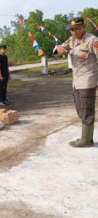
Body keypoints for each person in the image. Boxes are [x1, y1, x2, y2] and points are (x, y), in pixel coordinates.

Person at [54, 17, 98, 147]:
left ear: (84, 27)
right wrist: (58, 50)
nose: (74, 31)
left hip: (88, 80)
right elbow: (60, 49)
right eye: (72, 29)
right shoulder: (71, 40)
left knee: (86, 109)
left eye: (77, 28)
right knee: (80, 108)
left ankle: (85, 140)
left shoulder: (93, 40)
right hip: (76, 81)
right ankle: (88, 138)